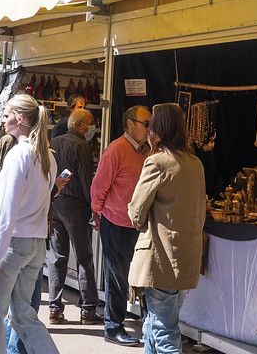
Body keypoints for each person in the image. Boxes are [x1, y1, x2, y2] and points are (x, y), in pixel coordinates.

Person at [0, 93, 59, 354]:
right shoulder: (47, 157)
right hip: (35, 242)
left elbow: (5, 210)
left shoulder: (18, 155)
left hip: (14, 243)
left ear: (20, 119)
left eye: (6, 115)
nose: (3, 120)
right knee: (24, 314)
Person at [128, 104, 206, 354]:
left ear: (159, 130)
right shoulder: (195, 163)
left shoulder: (158, 162)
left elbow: (136, 212)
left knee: (163, 328)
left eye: (151, 125)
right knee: (155, 322)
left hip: (161, 257)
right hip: (186, 257)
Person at [90, 105, 152, 346]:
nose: (149, 129)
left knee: (145, 275)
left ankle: (147, 324)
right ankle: (113, 327)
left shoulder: (148, 151)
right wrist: (97, 213)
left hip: (140, 224)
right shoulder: (117, 150)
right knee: (117, 276)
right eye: (146, 124)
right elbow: (99, 187)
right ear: (130, 124)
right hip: (116, 222)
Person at [48, 107, 100, 325]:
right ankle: (87, 309)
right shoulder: (82, 146)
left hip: (56, 202)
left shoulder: (55, 143)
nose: (92, 128)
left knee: (57, 257)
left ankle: (54, 307)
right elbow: (88, 182)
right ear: (80, 126)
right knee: (84, 258)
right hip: (76, 206)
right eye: (90, 123)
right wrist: (95, 209)